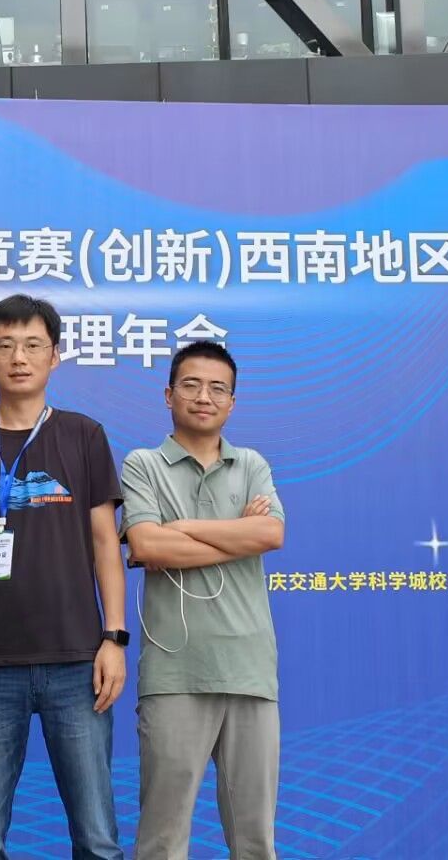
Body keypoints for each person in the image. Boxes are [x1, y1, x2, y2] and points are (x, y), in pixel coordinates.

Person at [0, 294, 129, 860]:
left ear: (54, 356)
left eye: (33, 345)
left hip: (77, 663)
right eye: (6, 345)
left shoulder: (83, 436)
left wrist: (113, 639)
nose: (19, 357)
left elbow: (105, 544)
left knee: (98, 838)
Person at [120, 341, 286, 860]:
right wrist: (238, 534)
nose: (203, 397)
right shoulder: (144, 464)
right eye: (190, 385)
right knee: (163, 841)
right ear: (168, 394)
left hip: (249, 669)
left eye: (218, 388)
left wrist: (181, 528)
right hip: (175, 674)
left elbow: (271, 534)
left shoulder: (251, 463)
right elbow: (147, 546)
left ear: (232, 402)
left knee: (255, 841)